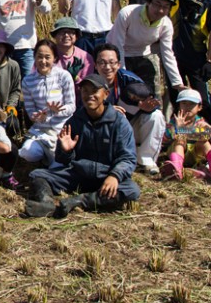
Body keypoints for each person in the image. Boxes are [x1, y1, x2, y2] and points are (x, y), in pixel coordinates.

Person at [25, 74, 141, 218]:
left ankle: (80, 201)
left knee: (131, 190)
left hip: (105, 176)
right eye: (85, 91)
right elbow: (63, 160)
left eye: (94, 90)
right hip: (79, 174)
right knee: (37, 175)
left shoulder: (119, 123)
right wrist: (66, 151)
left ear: (106, 94)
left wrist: (114, 176)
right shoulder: (74, 121)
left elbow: (128, 158)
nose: (89, 95)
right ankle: (47, 204)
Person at [94, 44, 166, 175]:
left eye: (112, 62)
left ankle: (146, 160)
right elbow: (82, 109)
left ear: (119, 64)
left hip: (131, 124)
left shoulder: (129, 79)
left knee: (156, 116)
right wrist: (104, 110)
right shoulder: (90, 82)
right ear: (95, 65)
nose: (107, 67)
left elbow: (149, 100)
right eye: (102, 63)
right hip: (102, 129)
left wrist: (146, 108)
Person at [106, 0, 186, 97]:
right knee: (124, 93)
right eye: (157, 4)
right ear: (148, 2)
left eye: (165, 7)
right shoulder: (128, 13)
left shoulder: (166, 24)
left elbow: (167, 53)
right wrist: (122, 73)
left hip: (143, 53)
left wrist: (177, 82)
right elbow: (117, 45)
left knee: (152, 94)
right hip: (118, 54)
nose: (160, 10)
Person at [18, 40, 76, 182]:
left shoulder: (64, 76)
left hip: (61, 129)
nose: (43, 61)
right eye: (39, 56)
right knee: (27, 152)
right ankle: (46, 156)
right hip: (41, 130)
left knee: (58, 168)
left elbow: (71, 106)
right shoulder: (27, 81)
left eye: (47, 57)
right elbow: (31, 111)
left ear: (55, 58)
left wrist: (57, 111)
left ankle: (53, 159)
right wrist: (37, 116)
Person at [158, 89, 211, 181]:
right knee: (180, 139)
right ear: (179, 106)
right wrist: (176, 129)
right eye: (184, 103)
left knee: (203, 141)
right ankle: (177, 168)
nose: (187, 107)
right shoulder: (175, 121)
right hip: (177, 153)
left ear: (199, 107)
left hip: (196, 156)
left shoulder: (201, 123)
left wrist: (210, 131)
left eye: (192, 104)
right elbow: (163, 140)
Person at [50, 17, 95, 89]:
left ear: (76, 36)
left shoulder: (86, 57)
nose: (66, 35)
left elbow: (87, 87)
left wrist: (75, 77)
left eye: (71, 32)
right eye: (62, 32)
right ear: (55, 36)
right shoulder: (48, 56)